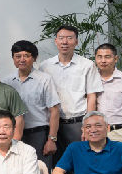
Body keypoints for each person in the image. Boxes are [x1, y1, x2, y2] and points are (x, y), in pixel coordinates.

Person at [38, 25, 102, 162]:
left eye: (69, 38)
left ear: (76, 41)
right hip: (52, 126)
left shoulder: (87, 65)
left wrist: (88, 126)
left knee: (81, 162)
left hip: (77, 124)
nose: (65, 42)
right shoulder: (45, 66)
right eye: (61, 38)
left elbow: (91, 97)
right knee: (57, 164)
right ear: (56, 41)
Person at [2, 40, 61, 164]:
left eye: (26, 56)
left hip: (39, 135)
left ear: (34, 58)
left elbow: (54, 111)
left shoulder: (44, 79)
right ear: (13, 59)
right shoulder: (7, 82)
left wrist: (51, 140)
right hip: (14, 135)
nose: (22, 60)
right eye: (18, 56)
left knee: (40, 170)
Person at [94, 43, 122, 149]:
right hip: (97, 134)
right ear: (95, 59)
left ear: (116, 59)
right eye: (99, 57)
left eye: (107, 57)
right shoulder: (92, 79)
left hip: (120, 133)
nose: (103, 61)